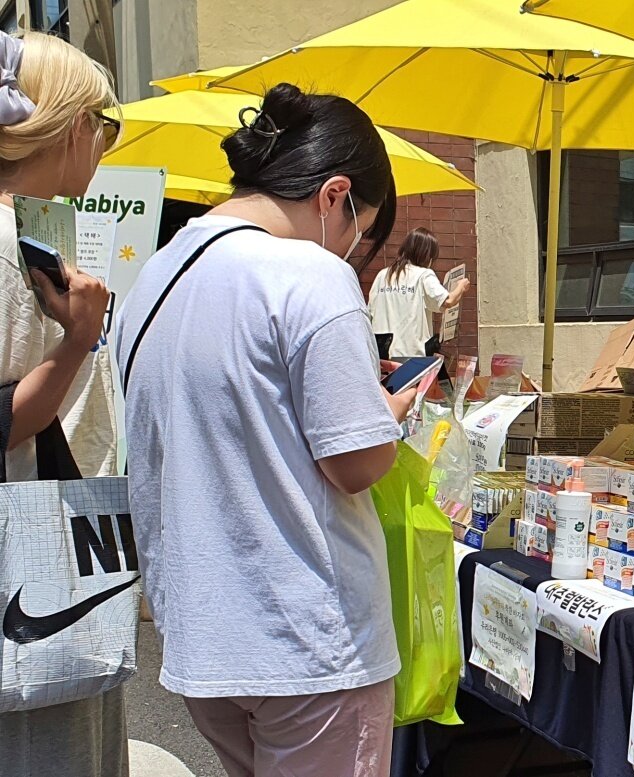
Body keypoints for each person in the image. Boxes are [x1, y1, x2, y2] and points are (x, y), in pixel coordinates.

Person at [116, 83, 415, 777]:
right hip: (309, 639)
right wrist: (389, 413)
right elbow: (355, 461)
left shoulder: (154, 278)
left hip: (205, 637)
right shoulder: (308, 274)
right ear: (334, 195)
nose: (353, 250)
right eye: (361, 230)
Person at [0, 30, 127, 777]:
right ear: (77, 127)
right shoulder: (15, 243)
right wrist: (79, 337)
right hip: (32, 557)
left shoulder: (35, 231)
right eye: (102, 131)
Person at [368, 226, 470, 357]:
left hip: (380, 357)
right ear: (427, 255)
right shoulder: (423, 275)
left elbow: (369, 314)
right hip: (411, 358)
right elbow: (448, 301)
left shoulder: (382, 275)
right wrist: (461, 286)